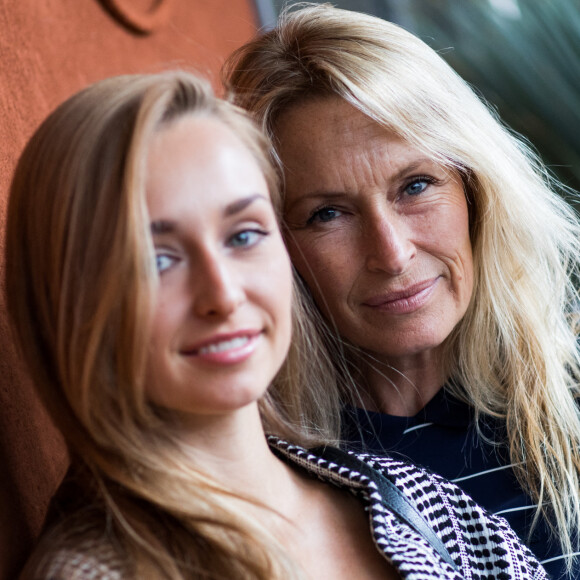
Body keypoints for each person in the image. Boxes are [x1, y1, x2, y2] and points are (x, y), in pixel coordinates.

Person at [5, 70, 546, 579]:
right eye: (156, 259)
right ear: (71, 302)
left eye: (243, 236)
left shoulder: (416, 497)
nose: (223, 294)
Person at [223, 4, 580, 578]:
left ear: (475, 188)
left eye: (416, 185)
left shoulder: (570, 391)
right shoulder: (262, 463)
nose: (392, 253)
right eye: (326, 214)